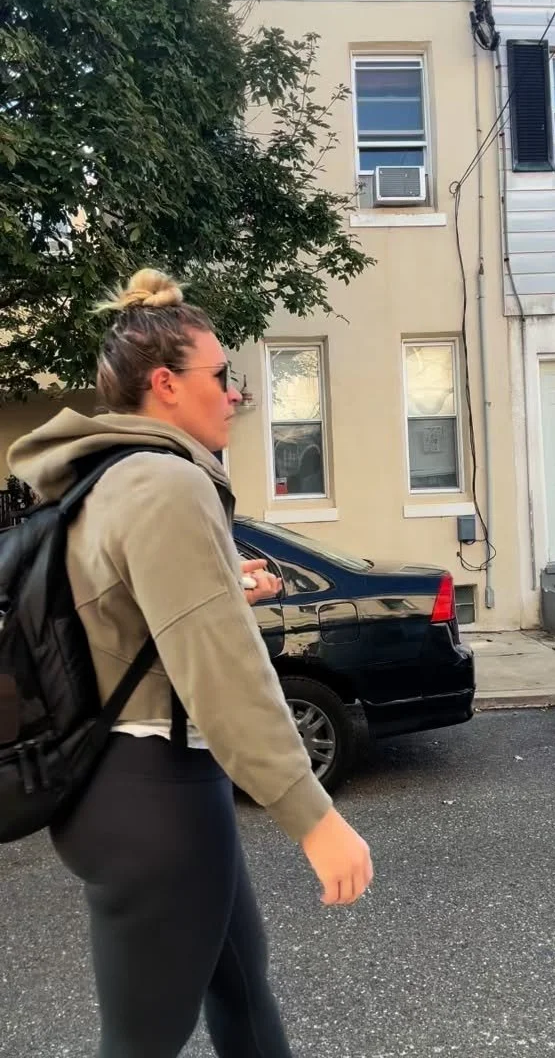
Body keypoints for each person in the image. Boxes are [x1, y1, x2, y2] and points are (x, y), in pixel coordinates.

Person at [7, 268, 373, 1058]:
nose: (234, 393)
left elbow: (132, 622)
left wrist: (223, 591)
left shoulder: (107, 477)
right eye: (221, 375)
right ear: (167, 385)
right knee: (142, 1044)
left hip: (133, 789)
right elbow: (220, 670)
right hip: (155, 797)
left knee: (242, 992)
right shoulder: (165, 482)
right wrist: (314, 817)